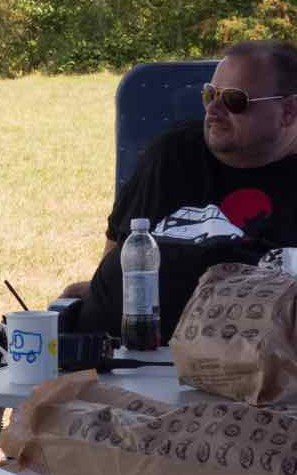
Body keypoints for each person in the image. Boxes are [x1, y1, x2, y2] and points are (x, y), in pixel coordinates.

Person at [63, 40, 297, 341]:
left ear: (288, 111)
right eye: (210, 95)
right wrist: (96, 291)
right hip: (121, 349)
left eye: (234, 100)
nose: (213, 110)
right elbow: (120, 253)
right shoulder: (172, 154)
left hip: (246, 358)